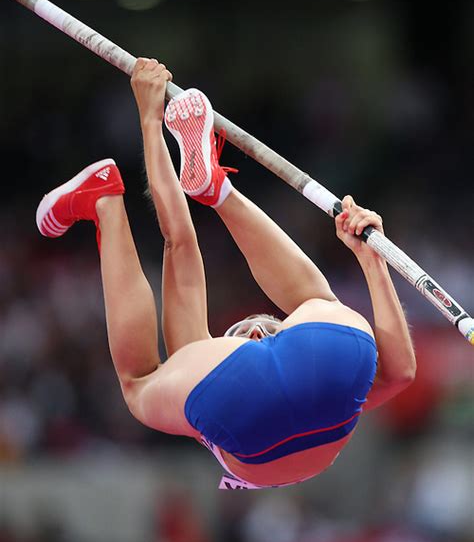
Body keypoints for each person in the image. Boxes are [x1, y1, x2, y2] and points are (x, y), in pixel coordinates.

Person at [36, 58, 416, 490]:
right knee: (137, 384)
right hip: (246, 407)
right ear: (262, 337)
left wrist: (372, 262)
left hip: (328, 351)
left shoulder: (343, 397)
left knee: (320, 299)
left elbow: (401, 373)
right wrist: (147, 117)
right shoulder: (210, 381)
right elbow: (178, 241)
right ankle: (105, 199)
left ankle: (218, 191)